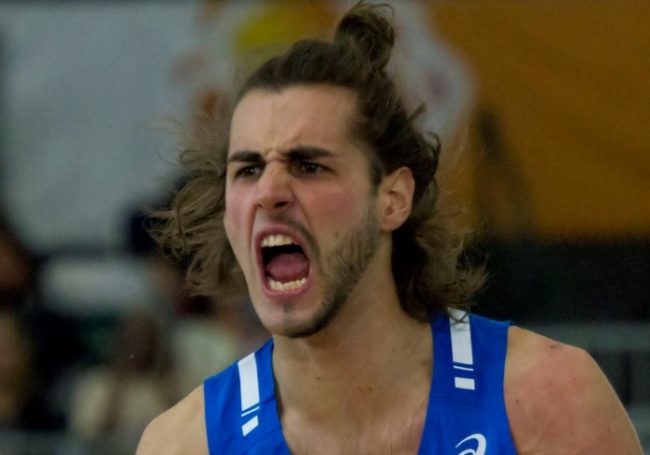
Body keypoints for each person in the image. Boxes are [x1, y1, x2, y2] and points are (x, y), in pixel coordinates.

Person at [137, 2, 643, 454]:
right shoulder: (183, 445)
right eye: (248, 170)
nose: (269, 192)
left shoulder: (548, 400)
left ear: (393, 199)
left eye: (309, 165)